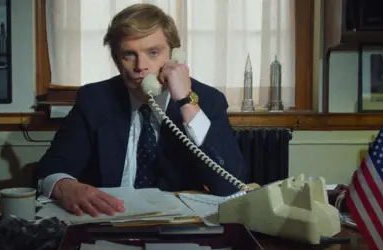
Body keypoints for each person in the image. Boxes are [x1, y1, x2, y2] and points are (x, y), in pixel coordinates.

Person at [33, 3, 247, 218]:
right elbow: (52, 167)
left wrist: (186, 102)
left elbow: (229, 185)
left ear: (175, 55)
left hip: (178, 224)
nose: (140, 66)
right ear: (117, 60)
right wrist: (66, 186)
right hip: (109, 220)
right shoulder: (95, 99)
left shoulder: (208, 101)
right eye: (128, 54)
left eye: (153, 52)